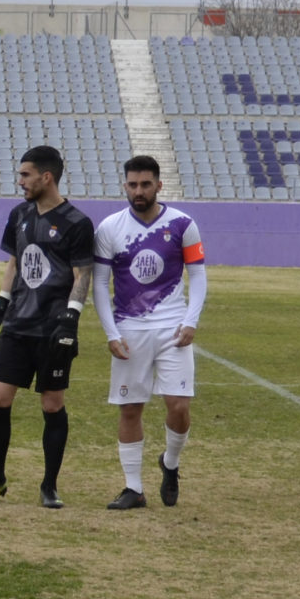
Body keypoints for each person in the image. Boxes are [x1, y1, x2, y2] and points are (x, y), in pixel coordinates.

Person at [0, 143, 97, 509]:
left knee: (52, 406)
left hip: (54, 329)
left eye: (25, 175)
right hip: (18, 325)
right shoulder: (19, 214)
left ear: (46, 177)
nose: (20, 181)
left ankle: (49, 485)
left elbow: (83, 273)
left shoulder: (77, 222)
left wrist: (71, 319)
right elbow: (15, 263)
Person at [93, 154, 206, 510]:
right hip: (129, 328)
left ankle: (170, 463)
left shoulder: (183, 224)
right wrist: (111, 332)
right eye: (132, 184)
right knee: (130, 408)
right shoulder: (109, 227)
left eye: (145, 184)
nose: (138, 191)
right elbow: (99, 282)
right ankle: (133, 489)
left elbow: (198, 275)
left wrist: (191, 321)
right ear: (124, 186)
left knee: (179, 407)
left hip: (172, 329)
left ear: (159, 185)